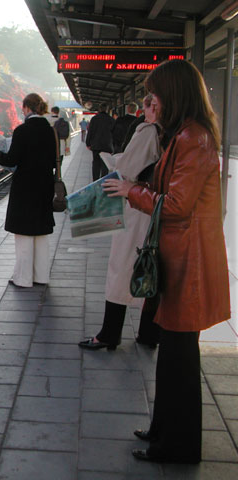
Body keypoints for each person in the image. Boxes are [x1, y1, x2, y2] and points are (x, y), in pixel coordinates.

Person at [103, 59, 230, 464]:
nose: (149, 101)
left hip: (187, 265)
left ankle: (177, 447)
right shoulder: (185, 135)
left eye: (154, 94)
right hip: (179, 260)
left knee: (179, 361)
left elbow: (175, 205)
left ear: (172, 94)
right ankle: (164, 431)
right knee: (174, 359)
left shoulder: (193, 138)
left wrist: (129, 191)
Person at [78, 94, 161, 352]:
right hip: (156, 207)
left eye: (150, 104)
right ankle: (149, 332)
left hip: (136, 205)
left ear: (153, 107)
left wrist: (112, 159)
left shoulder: (149, 131)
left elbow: (127, 166)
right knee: (150, 266)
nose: (147, 110)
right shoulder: (175, 130)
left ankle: (109, 334)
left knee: (121, 268)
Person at [0, 93, 56, 287]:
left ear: (26, 108)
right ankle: (41, 276)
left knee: (24, 234)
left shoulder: (22, 131)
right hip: (45, 185)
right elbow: (53, 160)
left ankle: (23, 278)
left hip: (26, 187)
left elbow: (12, 160)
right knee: (41, 234)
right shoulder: (51, 131)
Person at [85, 103, 114, 181]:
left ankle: (95, 180)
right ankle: (103, 180)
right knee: (105, 164)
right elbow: (113, 133)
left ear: (99, 109)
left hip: (96, 145)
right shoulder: (111, 119)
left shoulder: (94, 119)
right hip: (107, 146)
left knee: (96, 163)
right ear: (107, 110)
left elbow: (90, 131)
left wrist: (88, 143)